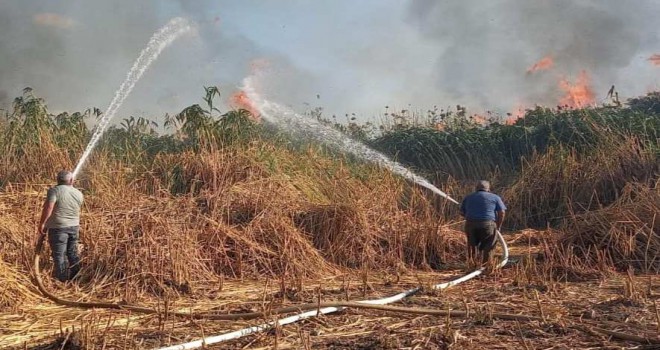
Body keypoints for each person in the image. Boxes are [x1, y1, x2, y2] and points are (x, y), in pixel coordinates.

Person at [37, 170, 84, 282]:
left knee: (59, 255)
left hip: (58, 228)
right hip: (74, 227)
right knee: (72, 252)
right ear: (71, 180)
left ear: (58, 180)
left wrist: (42, 223)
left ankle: (62, 280)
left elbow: (49, 207)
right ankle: (77, 277)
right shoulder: (79, 193)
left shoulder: (54, 191)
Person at [459, 180, 506, 265]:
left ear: (476, 188)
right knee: (488, 245)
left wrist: (472, 216)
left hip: (470, 224)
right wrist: (498, 226)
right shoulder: (495, 197)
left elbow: (462, 213)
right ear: (488, 189)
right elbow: (502, 212)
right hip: (488, 224)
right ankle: (485, 266)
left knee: (472, 246)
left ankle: (472, 265)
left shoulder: (468, 197)